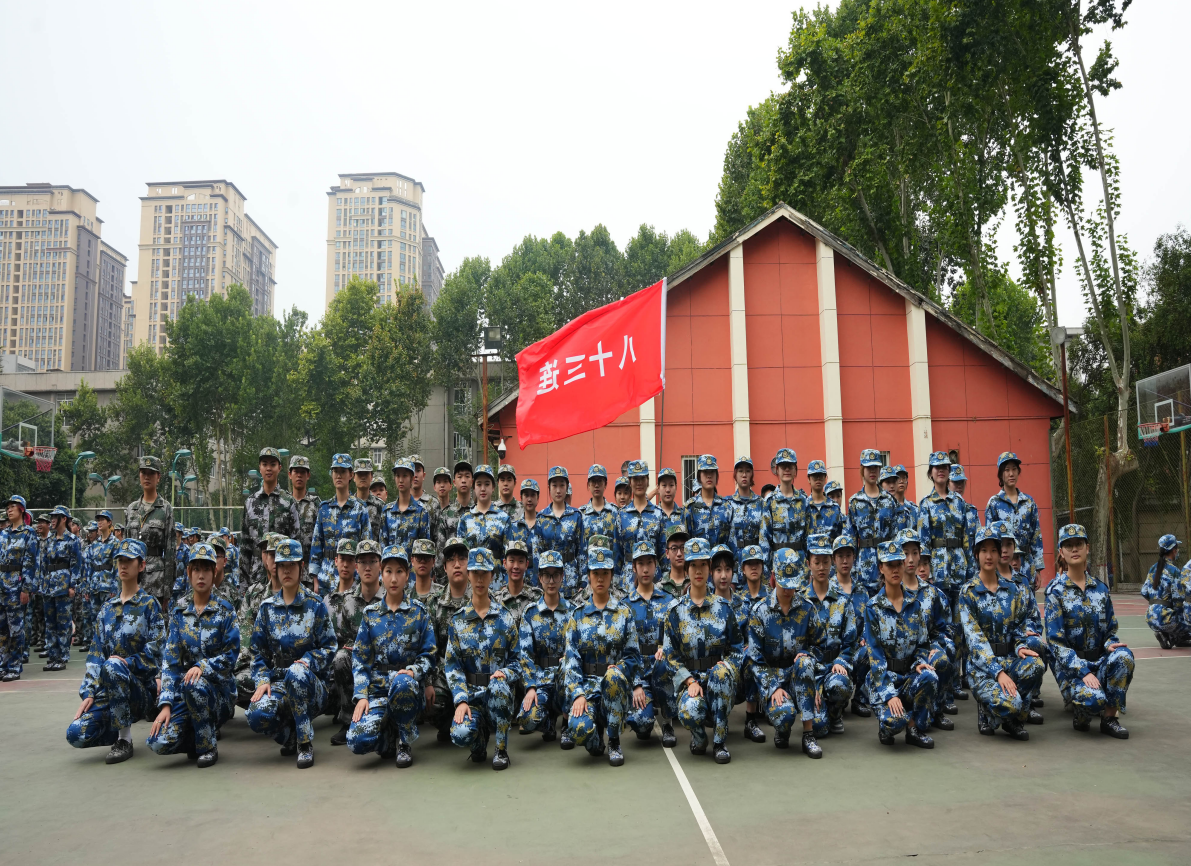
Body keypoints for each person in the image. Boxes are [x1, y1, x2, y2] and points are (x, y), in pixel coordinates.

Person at [66, 539, 163, 763]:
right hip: (111, 692)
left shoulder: (149, 605)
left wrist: (127, 663)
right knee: (76, 734)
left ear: (141, 566)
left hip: (140, 691)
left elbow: (157, 652)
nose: (123, 565)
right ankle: (118, 723)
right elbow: (95, 655)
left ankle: (124, 739)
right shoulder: (106, 610)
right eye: (120, 560)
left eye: (129, 560)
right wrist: (89, 692)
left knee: (113, 665)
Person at [246, 538, 337, 769]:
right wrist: (262, 679)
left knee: (296, 672)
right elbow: (257, 653)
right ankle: (290, 736)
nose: (287, 570)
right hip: (279, 682)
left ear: (301, 567)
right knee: (256, 714)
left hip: (311, 685)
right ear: (275, 568)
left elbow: (329, 647)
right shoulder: (267, 609)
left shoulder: (315, 605)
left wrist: (307, 661)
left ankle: (305, 743)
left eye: (292, 565)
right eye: (282, 565)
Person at [147, 543, 239, 768]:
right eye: (196, 569)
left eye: (206, 569)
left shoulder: (225, 610)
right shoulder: (179, 611)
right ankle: (197, 737)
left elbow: (231, 656)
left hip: (218, 694)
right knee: (158, 742)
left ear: (214, 572)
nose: (201, 575)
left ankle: (208, 746)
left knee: (195, 684)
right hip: (186, 692)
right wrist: (166, 703)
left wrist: (202, 667)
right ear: (188, 572)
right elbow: (170, 661)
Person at [346, 544, 436, 767]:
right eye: (388, 571)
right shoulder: (370, 615)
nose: (394, 578)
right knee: (356, 741)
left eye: (399, 572)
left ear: (407, 575)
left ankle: (405, 740)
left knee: (403, 682)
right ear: (381, 574)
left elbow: (429, 654)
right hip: (378, 689)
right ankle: (388, 735)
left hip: (408, 688)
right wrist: (362, 695)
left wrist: (413, 671)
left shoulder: (419, 612)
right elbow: (360, 659)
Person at [1045, 524, 1134, 739]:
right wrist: (1083, 671)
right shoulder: (1055, 592)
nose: (1074, 549)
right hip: (1073, 670)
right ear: (1061, 552)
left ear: (1087, 548)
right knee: (1093, 700)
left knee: (1124, 656)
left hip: (1099, 662)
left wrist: (1110, 644)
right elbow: (1056, 643)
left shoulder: (1101, 590)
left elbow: (1110, 630)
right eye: (1068, 545)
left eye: (1079, 544)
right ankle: (1081, 711)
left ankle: (1109, 719)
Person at [663, 537, 745, 764]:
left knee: (721, 675)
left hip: (718, 681)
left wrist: (726, 667)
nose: (698, 571)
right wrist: (689, 681)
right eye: (693, 565)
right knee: (691, 710)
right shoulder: (675, 611)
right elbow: (670, 656)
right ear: (686, 569)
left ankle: (719, 742)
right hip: (691, 682)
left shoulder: (724, 608)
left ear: (709, 568)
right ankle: (699, 737)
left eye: (702, 565)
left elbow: (737, 649)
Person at [958, 526, 1044, 740]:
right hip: (982, 667)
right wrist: (998, 672)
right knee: (1013, 703)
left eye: (993, 550)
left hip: (1009, 659)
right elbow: (975, 642)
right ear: (976, 554)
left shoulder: (1012, 589)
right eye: (984, 550)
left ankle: (1012, 720)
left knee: (1036, 666)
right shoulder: (968, 592)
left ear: (999, 554)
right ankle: (988, 709)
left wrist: (1020, 646)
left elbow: (1019, 628)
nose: (989, 556)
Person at [561, 545, 641, 766]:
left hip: (613, 689)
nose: (600, 578)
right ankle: (595, 741)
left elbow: (633, 656)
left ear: (611, 576)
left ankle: (614, 740)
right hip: (587, 688)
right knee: (577, 728)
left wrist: (619, 669)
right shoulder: (577, 616)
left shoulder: (624, 613)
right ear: (588, 575)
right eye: (595, 573)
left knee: (613, 678)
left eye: (605, 573)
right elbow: (571, 661)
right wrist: (578, 694)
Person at [747, 537, 826, 757]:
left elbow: (820, 646)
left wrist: (808, 659)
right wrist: (772, 687)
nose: (790, 590)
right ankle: (783, 729)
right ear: (773, 577)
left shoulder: (807, 609)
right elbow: (755, 659)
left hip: (798, 678)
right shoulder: (760, 612)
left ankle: (808, 734)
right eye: (785, 584)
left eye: (793, 584)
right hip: (773, 678)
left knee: (805, 663)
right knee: (784, 716)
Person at [445, 547, 520, 770]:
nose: (479, 579)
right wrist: (461, 700)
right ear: (468, 574)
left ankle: (501, 748)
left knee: (498, 686)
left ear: (492, 576)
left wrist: (504, 673)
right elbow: (453, 666)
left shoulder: (505, 618)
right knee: (460, 734)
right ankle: (479, 739)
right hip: (472, 697)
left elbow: (518, 661)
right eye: (475, 573)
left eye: (484, 573)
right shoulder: (458, 621)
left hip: (498, 696)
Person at [863, 541, 937, 749]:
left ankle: (914, 729)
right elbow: (875, 657)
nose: (895, 570)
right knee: (894, 722)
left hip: (908, 675)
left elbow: (923, 644)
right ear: (881, 568)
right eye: (889, 565)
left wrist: (920, 662)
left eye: (898, 564)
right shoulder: (873, 608)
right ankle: (886, 725)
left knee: (930, 676)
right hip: (884, 677)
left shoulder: (914, 604)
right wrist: (889, 694)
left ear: (904, 565)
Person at [917, 451, 972, 705]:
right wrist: (925, 574)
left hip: (959, 570)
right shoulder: (926, 504)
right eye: (937, 467)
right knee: (941, 629)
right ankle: (943, 685)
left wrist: (970, 571)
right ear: (930, 472)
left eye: (945, 467)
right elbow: (923, 543)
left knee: (959, 628)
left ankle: (957, 681)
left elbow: (967, 539)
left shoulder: (959, 502)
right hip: (937, 573)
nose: (941, 470)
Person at [324, 538, 382, 746]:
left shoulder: (390, 597)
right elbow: (342, 638)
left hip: (384, 660)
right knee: (341, 658)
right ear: (356, 566)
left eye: (372, 561)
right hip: (358, 659)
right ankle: (348, 719)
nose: (367, 567)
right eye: (362, 562)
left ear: (380, 565)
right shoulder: (347, 601)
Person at [897, 528, 955, 732]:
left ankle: (936, 710)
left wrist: (936, 646)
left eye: (915, 553)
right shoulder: (891, 591)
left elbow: (941, 628)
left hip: (927, 649)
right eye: (905, 553)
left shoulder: (930, 593)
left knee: (943, 658)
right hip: (900, 653)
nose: (910, 559)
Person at [516, 549, 574, 745]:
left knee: (568, 665)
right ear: (539, 578)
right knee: (527, 719)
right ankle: (547, 721)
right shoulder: (530, 613)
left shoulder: (573, 612)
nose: (551, 581)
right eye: (546, 575)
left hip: (564, 680)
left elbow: (577, 650)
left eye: (555, 575)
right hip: (541, 680)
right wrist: (531, 687)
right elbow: (525, 655)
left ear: (562, 577)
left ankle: (566, 724)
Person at [805, 533, 859, 739]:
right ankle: (818, 709)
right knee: (818, 728)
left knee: (840, 685)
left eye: (825, 562)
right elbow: (796, 647)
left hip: (834, 667)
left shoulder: (843, 601)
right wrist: (811, 683)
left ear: (831, 563)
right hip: (810, 671)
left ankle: (836, 713)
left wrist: (841, 661)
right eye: (816, 562)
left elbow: (851, 641)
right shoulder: (800, 602)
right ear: (808, 564)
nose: (821, 567)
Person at [992, 521, 1046, 724]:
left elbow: (1033, 616)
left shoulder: (1022, 581)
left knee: (1036, 644)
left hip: (1020, 641)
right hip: (996, 646)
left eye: (1009, 544)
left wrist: (1027, 631)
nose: (1005, 550)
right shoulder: (985, 581)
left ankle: (1028, 700)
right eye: (1000, 545)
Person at [624, 541, 675, 746]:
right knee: (641, 724)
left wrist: (666, 649)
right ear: (634, 567)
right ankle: (646, 710)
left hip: (661, 668)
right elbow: (624, 650)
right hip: (638, 670)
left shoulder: (669, 601)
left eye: (649, 563)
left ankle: (668, 721)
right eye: (641, 564)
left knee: (665, 664)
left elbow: (674, 635)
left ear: (656, 566)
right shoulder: (625, 605)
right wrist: (636, 683)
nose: (645, 569)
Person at [424, 537, 472, 742]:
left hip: (475, 672)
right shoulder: (434, 604)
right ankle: (447, 724)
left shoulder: (483, 598)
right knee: (431, 699)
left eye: (462, 558)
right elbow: (428, 649)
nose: (457, 564)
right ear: (444, 567)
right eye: (451, 560)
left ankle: (478, 722)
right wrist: (428, 682)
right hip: (445, 672)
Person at [308, 453, 373, 594]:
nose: (338, 475)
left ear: (351, 475)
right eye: (335, 471)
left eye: (343, 471)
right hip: (326, 576)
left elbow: (366, 547)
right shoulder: (324, 509)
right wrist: (315, 578)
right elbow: (317, 544)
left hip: (352, 577)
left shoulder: (360, 509)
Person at [240, 448, 302, 590]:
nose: (268, 468)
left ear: (279, 468)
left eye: (273, 464)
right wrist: (243, 585)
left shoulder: (289, 502)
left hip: (283, 574)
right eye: (265, 464)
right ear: (260, 468)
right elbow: (245, 546)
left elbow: (296, 541)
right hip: (256, 577)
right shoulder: (250, 503)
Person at [124, 456, 176, 616]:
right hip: (133, 577)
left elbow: (170, 551)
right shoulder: (131, 509)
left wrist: (167, 590)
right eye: (143, 473)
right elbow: (125, 549)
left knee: (155, 623)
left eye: (151, 473)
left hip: (156, 580)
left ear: (158, 477)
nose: (147, 477)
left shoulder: (165, 509)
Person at [984, 452, 1045, 588]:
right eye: (1007, 470)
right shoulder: (994, 503)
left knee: (1027, 598)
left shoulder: (1029, 502)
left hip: (1026, 564)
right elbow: (990, 538)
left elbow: (1036, 536)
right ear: (1001, 474)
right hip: (1003, 563)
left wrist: (1038, 569)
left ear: (1018, 472)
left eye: (1014, 469)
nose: (1011, 474)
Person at [847, 450, 897, 597]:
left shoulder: (889, 501)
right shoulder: (855, 502)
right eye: (869, 467)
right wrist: (853, 569)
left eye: (876, 467)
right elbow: (850, 539)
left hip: (887, 564)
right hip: (864, 567)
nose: (873, 471)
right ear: (862, 469)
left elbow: (894, 536)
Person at [613, 460, 666, 594]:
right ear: (630, 482)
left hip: (654, 577)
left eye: (642, 478)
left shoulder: (658, 514)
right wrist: (615, 583)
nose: (639, 483)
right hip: (628, 580)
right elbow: (617, 553)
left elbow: (663, 552)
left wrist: (666, 579)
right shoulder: (622, 515)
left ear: (648, 481)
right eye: (635, 479)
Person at [0, 495, 37, 681]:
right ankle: (3, 664)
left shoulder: (28, 533)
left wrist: (26, 589)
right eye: (7, 507)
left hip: (16, 587)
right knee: (2, 629)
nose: (9, 509)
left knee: (15, 629)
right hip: (1, 585)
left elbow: (30, 563)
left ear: (22, 510)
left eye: (12, 506)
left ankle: (14, 666)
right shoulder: (3, 533)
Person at [760, 448, 808, 585]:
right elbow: (764, 539)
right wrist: (766, 572)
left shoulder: (803, 501)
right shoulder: (770, 501)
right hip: (778, 564)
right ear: (777, 469)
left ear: (795, 470)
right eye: (783, 466)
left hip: (800, 565)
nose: (787, 469)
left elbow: (808, 536)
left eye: (790, 466)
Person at [43, 505, 82, 671]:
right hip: (49, 586)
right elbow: (44, 563)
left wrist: (73, 585)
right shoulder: (49, 540)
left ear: (64, 519)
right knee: (50, 622)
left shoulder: (72, 540)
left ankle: (62, 656)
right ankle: (53, 656)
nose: (52, 520)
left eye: (55, 517)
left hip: (63, 586)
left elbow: (76, 564)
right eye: (52, 517)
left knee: (63, 622)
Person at [536, 467, 584, 599]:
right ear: (549, 488)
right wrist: (539, 582)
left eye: (562, 485)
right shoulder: (542, 518)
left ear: (567, 487)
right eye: (554, 485)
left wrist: (583, 581)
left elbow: (581, 551)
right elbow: (537, 553)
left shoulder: (576, 516)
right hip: (549, 580)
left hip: (571, 580)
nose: (558, 490)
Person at [458, 464, 511, 576]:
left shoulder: (504, 518)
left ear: (493, 487)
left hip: (496, 578)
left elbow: (508, 555)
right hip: (472, 578)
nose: (483, 489)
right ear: (474, 487)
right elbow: (461, 555)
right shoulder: (465, 519)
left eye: (487, 484)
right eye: (479, 484)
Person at [1142, 533, 1186, 649]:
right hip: (1166, 618)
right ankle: (1175, 637)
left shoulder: (1153, 568)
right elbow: (1179, 601)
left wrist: (1157, 602)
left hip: (1150, 616)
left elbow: (1144, 592)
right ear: (1174, 550)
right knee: (1187, 619)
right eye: (1177, 548)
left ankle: (1166, 634)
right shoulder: (1174, 571)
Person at [726, 456, 764, 586]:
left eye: (748, 471)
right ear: (735, 475)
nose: (744, 475)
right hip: (735, 564)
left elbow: (765, 537)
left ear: (752, 474)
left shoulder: (761, 503)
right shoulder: (727, 504)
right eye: (740, 471)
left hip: (755, 563)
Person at [380, 457, 431, 551]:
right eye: (397, 475)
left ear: (412, 479)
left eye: (405, 476)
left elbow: (424, 548)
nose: (400, 480)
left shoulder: (421, 511)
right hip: (391, 560)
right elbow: (383, 545)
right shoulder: (387, 511)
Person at [579, 464, 620, 577]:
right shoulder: (581, 514)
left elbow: (618, 546)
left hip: (610, 572)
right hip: (590, 572)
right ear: (588, 485)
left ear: (605, 484)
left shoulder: (615, 512)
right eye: (593, 482)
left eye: (600, 481)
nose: (596, 485)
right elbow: (580, 548)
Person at [685, 455, 732, 547]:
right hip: (698, 555)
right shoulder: (690, 507)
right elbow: (686, 540)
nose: (709, 476)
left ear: (717, 475)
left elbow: (731, 540)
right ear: (699, 476)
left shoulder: (726, 506)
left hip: (721, 555)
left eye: (712, 472)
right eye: (705, 472)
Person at [503, 479, 541, 588]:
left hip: (541, 582)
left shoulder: (544, 525)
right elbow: (507, 556)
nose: (529, 499)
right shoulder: (513, 527)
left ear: (538, 498)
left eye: (533, 495)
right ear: (521, 498)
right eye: (526, 495)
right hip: (519, 583)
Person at [493, 539, 540, 620]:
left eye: (520, 561)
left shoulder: (537, 598)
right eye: (512, 561)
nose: (516, 566)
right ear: (505, 563)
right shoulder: (497, 600)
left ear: (526, 565)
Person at [288, 455, 321, 565]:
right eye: (296, 471)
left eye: (303, 472)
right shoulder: (284, 503)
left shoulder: (316, 504)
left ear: (308, 475)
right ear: (290, 474)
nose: (299, 475)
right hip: (288, 565)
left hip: (309, 565)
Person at [804, 460, 845, 543]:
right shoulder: (804, 506)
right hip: (810, 551)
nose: (818, 478)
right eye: (814, 476)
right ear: (808, 479)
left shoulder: (834, 507)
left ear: (825, 478)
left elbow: (840, 537)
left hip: (830, 550)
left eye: (821, 475)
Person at [352, 458, 386, 542]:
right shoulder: (348, 505)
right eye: (360, 474)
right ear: (354, 477)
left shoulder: (380, 506)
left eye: (366, 473)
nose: (363, 477)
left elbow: (384, 537)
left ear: (371, 477)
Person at [660, 525, 690, 597]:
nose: (679, 554)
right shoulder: (660, 588)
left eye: (683, 548)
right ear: (667, 553)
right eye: (674, 548)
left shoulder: (695, 583)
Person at [408, 538, 438, 604]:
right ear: (412, 561)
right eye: (419, 557)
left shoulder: (443, 594)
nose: (422, 561)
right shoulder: (404, 596)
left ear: (433, 562)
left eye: (427, 557)